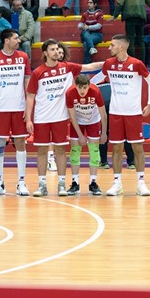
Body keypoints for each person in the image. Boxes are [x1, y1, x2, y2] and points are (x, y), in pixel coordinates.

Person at [26, 40, 104, 197]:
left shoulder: (68, 68)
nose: (56, 52)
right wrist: (28, 119)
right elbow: (30, 96)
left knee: (61, 150)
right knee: (41, 151)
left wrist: (110, 62)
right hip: (42, 117)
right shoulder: (38, 72)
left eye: (57, 49)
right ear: (45, 53)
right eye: (52, 49)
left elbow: (90, 67)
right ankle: (42, 185)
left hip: (60, 118)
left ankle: (62, 184)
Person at [101, 34, 150, 196]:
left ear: (122, 47)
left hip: (133, 113)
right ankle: (117, 183)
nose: (109, 48)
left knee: (137, 148)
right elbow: (99, 79)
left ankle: (141, 183)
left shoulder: (136, 64)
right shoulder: (109, 64)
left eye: (112, 45)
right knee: (116, 148)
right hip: (115, 113)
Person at [0, 28, 32, 197]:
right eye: (15, 38)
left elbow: (27, 82)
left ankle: (21, 182)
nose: (18, 40)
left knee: (20, 143)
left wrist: (28, 108)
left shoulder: (23, 57)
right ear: (6, 40)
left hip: (19, 108)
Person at [65, 74, 107, 195]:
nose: (82, 91)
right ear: (75, 86)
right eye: (79, 88)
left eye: (85, 87)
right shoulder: (70, 93)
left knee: (94, 151)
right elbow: (72, 116)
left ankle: (93, 182)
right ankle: (75, 183)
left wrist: (104, 133)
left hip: (93, 121)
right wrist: (80, 135)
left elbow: (103, 114)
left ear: (89, 86)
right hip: (77, 122)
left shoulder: (95, 91)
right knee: (75, 152)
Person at [78, 0, 104, 64]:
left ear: (95, 4)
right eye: (88, 3)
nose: (88, 4)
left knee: (85, 43)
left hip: (97, 34)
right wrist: (81, 26)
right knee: (84, 32)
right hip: (86, 33)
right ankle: (92, 48)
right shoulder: (85, 14)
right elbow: (80, 25)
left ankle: (87, 63)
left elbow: (99, 26)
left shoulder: (99, 13)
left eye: (91, 3)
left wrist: (88, 27)